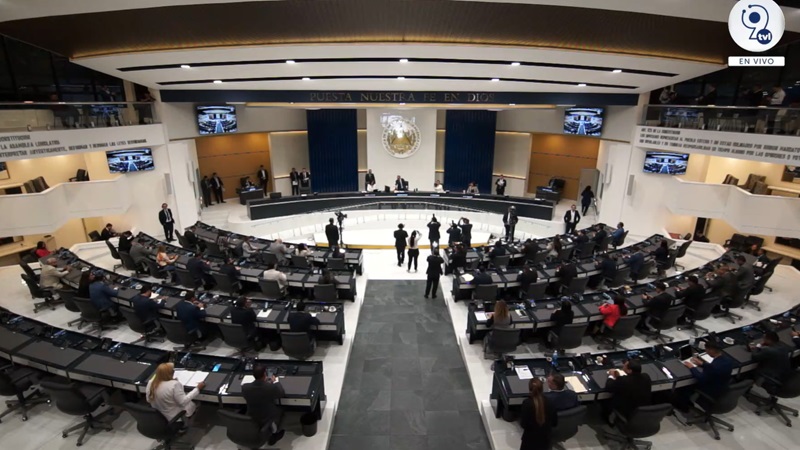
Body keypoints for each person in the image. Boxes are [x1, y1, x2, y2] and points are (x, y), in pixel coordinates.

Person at [680, 340, 733, 410]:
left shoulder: (713, 367)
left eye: (706, 350)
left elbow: (701, 378)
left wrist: (691, 367)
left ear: (711, 350)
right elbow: (715, 368)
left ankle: (684, 407)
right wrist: (702, 364)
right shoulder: (728, 360)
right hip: (722, 387)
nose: (706, 351)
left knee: (683, 387)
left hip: (710, 391)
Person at [241, 365, 286, 445]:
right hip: (268, 417)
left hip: (252, 415)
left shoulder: (245, 387)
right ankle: (274, 433)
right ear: (265, 375)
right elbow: (281, 393)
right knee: (281, 411)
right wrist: (275, 381)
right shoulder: (270, 388)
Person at [519, 378, 557, 450]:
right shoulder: (550, 402)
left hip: (529, 440)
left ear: (530, 389)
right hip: (545, 439)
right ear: (542, 389)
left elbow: (523, 424)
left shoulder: (527, 403)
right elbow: (554, 422)